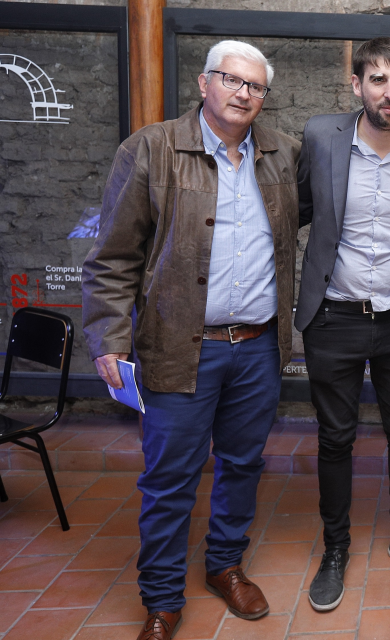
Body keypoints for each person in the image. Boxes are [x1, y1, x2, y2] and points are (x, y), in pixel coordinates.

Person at [82, 40, 300, 640]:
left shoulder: (283, 154)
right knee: (169, 478)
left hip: (258, 346)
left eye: (255, 86)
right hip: (179, 346)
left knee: (243, 464)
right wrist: (109, 336)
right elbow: (113, 256)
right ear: (205, 83)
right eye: (231, 79)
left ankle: (225, 564)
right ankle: (161, 598)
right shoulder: (151, 149)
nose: (242, 93)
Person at [294, 37, 390, 610]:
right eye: (378, 80)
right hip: (333, 315)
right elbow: (294, 208)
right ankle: (335, 548)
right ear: (357, 84)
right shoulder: (321, 137)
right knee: (335, 436)